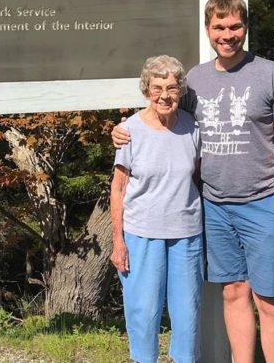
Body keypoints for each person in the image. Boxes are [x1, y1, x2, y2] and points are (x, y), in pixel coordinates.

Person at [112, 0, 274, 363]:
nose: (227, 34)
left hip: (263, 203)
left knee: (271, 301)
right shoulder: (195, 80)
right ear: (208, 29)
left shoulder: (273, 74)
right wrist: (121, 131)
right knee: (233, 293)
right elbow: (160, 112)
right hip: (213, 206)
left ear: (245, 27)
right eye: (219, 27)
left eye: (235, 26)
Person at [111, 55, 202, 363]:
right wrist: (117, 241)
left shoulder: (192, 127)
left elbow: (200, 177)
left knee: (187, 312)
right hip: (141, 233)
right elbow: (118, 188)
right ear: (146, 89)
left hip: (187, 233)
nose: (165, 95)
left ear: (181, 90)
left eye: (172, 87)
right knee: (144, 311)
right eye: (158, 87)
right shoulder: (129, 130)